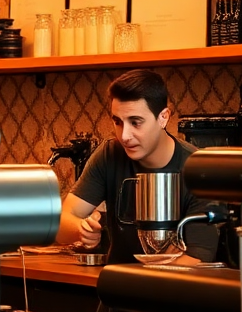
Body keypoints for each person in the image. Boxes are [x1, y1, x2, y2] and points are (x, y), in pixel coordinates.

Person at [56, 70, 218, 265]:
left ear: (163, 117)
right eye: (118, 122)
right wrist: (82, 229)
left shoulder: (199, 169)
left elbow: (199, 259)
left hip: (173, 293)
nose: (124, 136)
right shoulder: (109, 154)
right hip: (118, 288)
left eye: (135, 122)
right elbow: (61, 224)